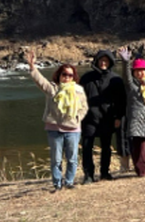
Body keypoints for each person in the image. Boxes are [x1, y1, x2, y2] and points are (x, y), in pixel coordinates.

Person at [25, 50, 88, 192]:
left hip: (73, 129)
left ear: (74, 77)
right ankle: (57, 184)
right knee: (56, 159)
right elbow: (40, 81)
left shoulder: (78, 90)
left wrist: (77, 118)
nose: (67, 77)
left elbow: (83, 107)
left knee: (72, 158)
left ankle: (69, 181)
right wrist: (32, 67)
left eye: (70, 75)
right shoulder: (52, 89)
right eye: (64, 74)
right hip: (54, 129)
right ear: (59, 75)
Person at [79, 49, 126, 184]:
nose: (103, 63)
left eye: (106, 61)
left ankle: (105, 172)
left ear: (110, 62)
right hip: (88, 118)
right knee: (87, 147)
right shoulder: (86, 78)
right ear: (96, 61)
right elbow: (79, 98)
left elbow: (121, 101)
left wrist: (118, 117)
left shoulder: (115, 79)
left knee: (106, 146)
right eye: (101, 60)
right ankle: (88, 174)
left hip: (108, 118)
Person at [117, 47, 145, 177]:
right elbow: (126, 76)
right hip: (137, 119)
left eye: (142, 70)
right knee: (139, 146)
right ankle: (141, 170)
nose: (139, 73)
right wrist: (126, 62)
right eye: (136, 71)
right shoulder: (131, 85)